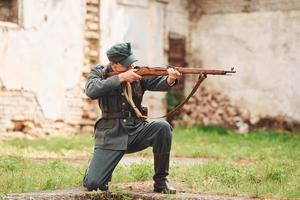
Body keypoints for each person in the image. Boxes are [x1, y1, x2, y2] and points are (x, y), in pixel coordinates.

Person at [83, 42, 181, 194]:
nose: (131, 67)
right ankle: (93, 170)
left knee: (162, 127)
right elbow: (91, 90)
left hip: (136, 130)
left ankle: (161, 182)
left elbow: (157, 83)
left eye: (131, 63)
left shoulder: (138, 73)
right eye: (126, 65)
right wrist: (121, 78)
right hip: (110, 135)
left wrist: (170, 79)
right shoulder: (99, 72)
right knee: (94, 184)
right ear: (114, 64)